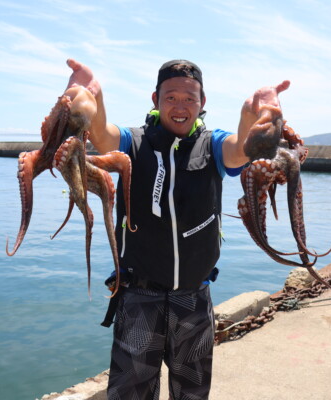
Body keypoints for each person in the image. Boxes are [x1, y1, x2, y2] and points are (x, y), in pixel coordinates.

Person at [64, 58, 288, 400]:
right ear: (155, 100)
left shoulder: (213, 145)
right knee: (131, 394)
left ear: (202, 103)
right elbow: (102, 137)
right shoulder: (133, 142)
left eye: (189, 98)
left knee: (192, 393)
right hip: (139, 297)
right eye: (171, 98)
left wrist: (251, 112)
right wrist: (93, 90)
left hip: (193, 299)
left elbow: (242, 150)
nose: (180, 106)